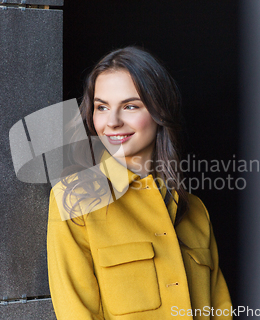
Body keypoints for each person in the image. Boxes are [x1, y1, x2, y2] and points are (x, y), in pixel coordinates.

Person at [47, 46, 232, 319]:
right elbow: (75, 312)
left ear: (160, 110)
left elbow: (220, 312)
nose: (112, 122)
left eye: (130, 106)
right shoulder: (75, 198)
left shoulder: (196, 211)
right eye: (102, 107)